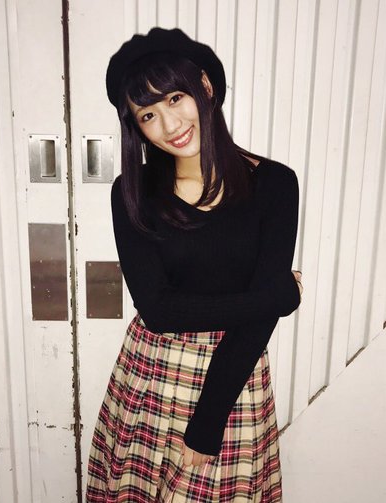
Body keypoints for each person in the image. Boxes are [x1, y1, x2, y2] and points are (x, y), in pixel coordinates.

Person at [86, 27, 303, 503]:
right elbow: (159, 311)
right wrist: (277, 296)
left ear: (204, 87)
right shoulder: (134, 193)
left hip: (233, 378)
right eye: (148, 114)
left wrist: (207, 423)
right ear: (136, 126)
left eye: (175, 98)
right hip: (151, 373)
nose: (169, 124)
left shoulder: (275, 185)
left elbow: (255, 322)